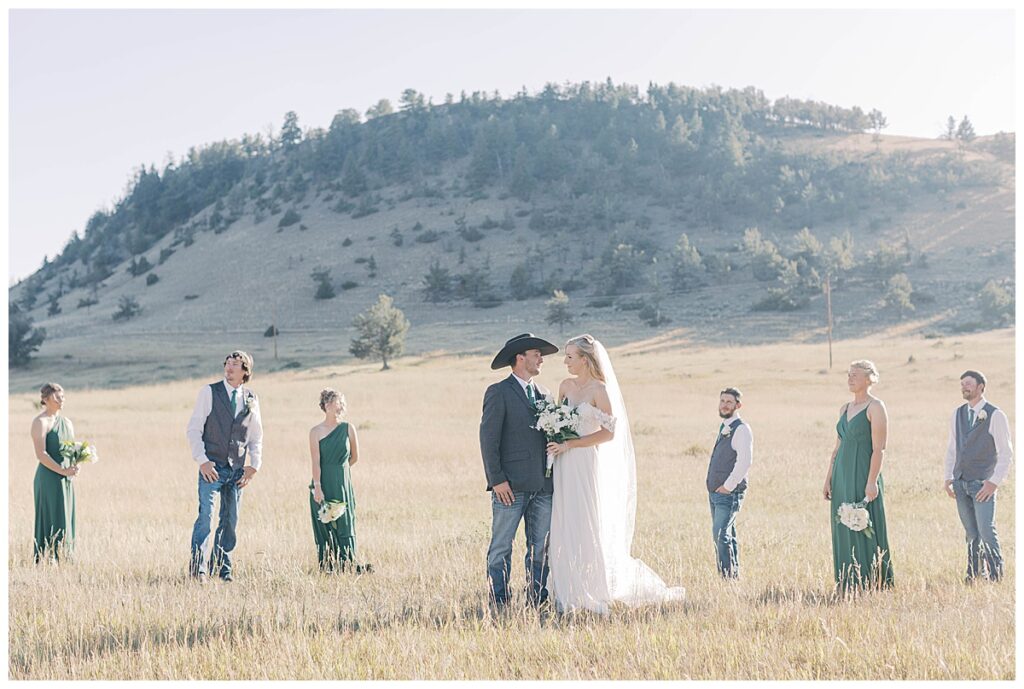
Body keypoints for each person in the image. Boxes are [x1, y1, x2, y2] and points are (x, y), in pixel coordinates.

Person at [545, 334, 684, 614]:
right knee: (563, 518)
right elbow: (556, 419)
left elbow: (609, 433)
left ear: (585, 359)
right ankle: (563, 586)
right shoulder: (565, 386)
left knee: (586, 519)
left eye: (570, 356)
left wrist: (571, 443)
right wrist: (554, 434)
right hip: (562, 462)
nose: (565, 361)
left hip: (584, 460)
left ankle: (591, 586)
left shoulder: (599, 390)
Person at [480, 333, 559, 608]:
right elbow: (488, 440)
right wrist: (497, 480)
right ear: (520, 357)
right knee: (501, 547)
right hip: (509, 487)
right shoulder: (498, 392)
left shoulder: (545, 394)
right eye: (536, 354)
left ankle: (538, 599)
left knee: (541, 548)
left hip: (543, 487)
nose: (541, 359)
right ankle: (499, 600)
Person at [186, 351, 263, 582]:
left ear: (245, 371)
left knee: (230, 521)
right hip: (212, 467)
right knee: (206, 517)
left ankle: (222, 569)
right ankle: (198, 570)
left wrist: (254, 465)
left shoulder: (251, 398)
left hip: (237, 469)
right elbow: (193, 429)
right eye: (227, 363)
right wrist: (202, 460)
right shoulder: (209, 392)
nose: (229, 368)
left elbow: (256, 435)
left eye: (235, 364)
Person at [823, 360, 894, 592]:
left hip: (864, 472)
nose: (850, 378)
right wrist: (828, 478)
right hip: (842, 473)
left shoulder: (876, 407)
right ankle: (847, 581)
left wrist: (872, 481)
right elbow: (837, 447)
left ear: (869, 379)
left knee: (865, 523)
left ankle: (872, 581)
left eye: (855, 375)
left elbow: (879, 448)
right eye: (849, 374)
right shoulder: (844, 408)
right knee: (842, 524)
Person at [943, 370, 1013, 582]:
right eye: (962, 383)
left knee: (986, 531)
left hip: (982, 484)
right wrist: (948, 477)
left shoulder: (995, 415)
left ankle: (995, 576)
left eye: (969, 383)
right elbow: (952, 448)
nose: (964, 386)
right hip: (961, 483)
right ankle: (973, 574)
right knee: (971, 533)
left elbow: (1006, 453)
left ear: (981, 386)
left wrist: (993, 483)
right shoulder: (957, 414)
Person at [309, 388, 367, 572]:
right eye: (337, 401)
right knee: (324, 523)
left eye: (342, 402)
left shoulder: (348, 428)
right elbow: (315, 461)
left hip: (342, 482)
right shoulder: (315, 431)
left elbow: (355, 457)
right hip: (322, 481)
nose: (340, 405)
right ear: (326, 405)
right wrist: (318, 486)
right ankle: (328, 565)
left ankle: (348, 564)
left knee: (345, 522)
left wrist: (340, 471)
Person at [30, 382, 81, 562]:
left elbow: (71, 449)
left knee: (66, 515)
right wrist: (62, 470)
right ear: (45, 399)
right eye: (57, 397)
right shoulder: (40, 422)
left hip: (66, 477)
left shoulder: (67, 422)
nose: (61, 400)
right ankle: (46, 557)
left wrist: (76, 464)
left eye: (63, 396)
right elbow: (41, 454)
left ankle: (65, 557)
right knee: (51, 516)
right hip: (48, 477)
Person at [705, 387, 753, 578]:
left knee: (720, 534)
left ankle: (727, 578)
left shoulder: (741, 429)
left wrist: (728, 487)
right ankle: (733, 576)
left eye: (729, 402)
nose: (724, 405)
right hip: (716, 492)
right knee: (727, 533)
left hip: (728, 493)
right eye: (722, 401)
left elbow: (745, 461)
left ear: (738, 405)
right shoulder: (725, 426)